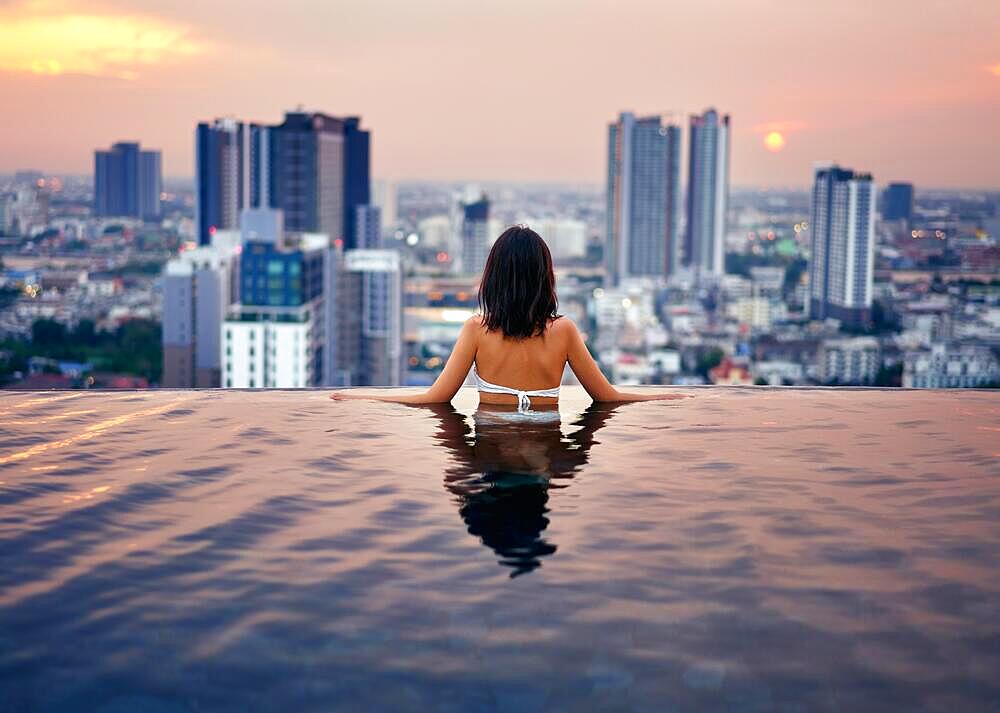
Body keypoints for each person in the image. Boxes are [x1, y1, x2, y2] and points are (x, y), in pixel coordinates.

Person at [331, 225, 687, 408]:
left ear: (493, 277)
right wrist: (667, 399)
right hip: (545, 452)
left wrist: (361, 398)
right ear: (545, 277)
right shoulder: (564, 331)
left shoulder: (476, 330)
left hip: (492, 450)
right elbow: (607, 397)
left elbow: (435, 398)